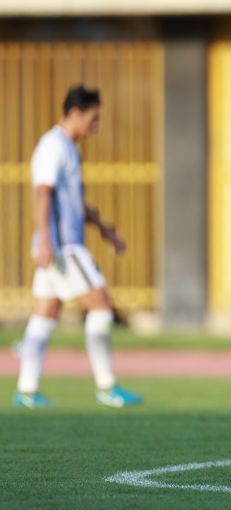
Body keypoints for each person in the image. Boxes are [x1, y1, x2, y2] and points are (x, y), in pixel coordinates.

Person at [13, 84, 142, 409]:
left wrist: (104, 229)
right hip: (63, 247)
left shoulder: (69, 148)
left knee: (46, 313)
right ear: (74, 113)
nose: (97, 125)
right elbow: (42, 194)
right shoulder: (53, 146)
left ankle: (26, 391)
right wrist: (47, 242)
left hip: (56, 246)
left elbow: (75, 202)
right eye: (93, 118)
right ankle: (107, 387)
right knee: (101, 306)